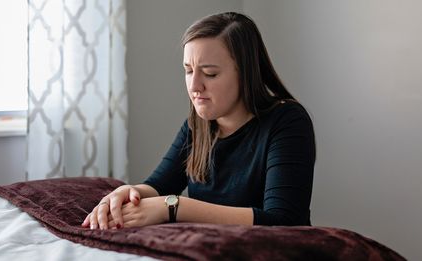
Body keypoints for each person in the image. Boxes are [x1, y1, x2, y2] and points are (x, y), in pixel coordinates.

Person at [82, 12, 315, 230]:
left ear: (246, 73)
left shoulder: (287, 121)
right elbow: (159, 186)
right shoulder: (197, 125)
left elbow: (284, 221)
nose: (194, 87)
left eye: (210, 73)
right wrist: (128, 192)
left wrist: (174, 207)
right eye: (188, 71)